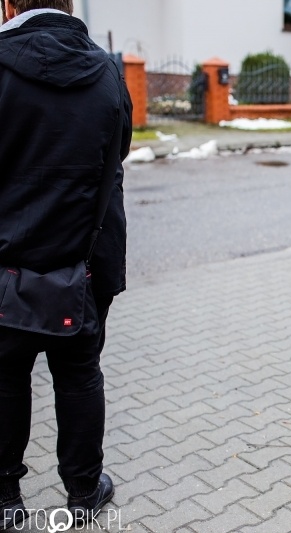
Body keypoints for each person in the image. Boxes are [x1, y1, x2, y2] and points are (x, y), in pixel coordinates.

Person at [0, 0, 132, 529]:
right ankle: (83, 492)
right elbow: (116, 156)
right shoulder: (107, 72)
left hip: (5, 266)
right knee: (78, 377)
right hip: (83, 263)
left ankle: (6, 499)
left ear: (9, 5)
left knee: (5, 379)